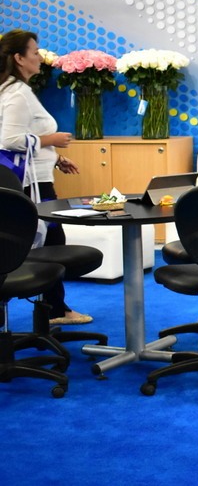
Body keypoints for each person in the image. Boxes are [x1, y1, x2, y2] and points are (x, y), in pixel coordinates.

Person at [0, 29, 92, 325]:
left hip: (30, 177)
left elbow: (24, 136)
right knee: (52, 245)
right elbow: (10, 140)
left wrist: (56, 158)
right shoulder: (18, 94)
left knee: (51, 242)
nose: (40, 57)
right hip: (31, 185)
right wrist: (51, 140)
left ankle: (53, 308)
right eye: (35, 52)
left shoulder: (11, 90)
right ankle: (55, 310)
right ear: (19, 58)